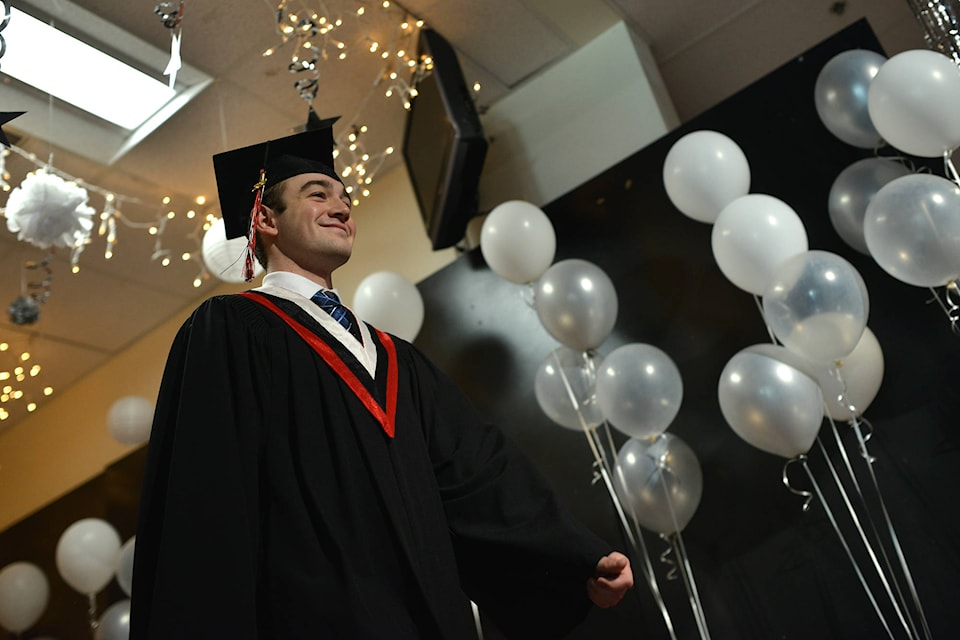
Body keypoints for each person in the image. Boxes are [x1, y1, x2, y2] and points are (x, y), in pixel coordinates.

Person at [130, 117, 633, 639]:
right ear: (266, 219)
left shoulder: (397, 359)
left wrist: (574, 556)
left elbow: (479, 476)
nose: (342, 207)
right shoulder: (231, 331)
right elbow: (208, 505)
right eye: (317, 192)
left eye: (345, 197)